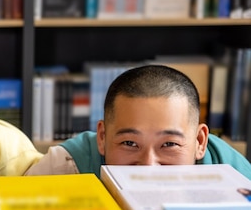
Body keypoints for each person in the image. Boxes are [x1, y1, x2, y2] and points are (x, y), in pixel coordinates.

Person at [26, 65, 251, 179]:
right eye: (130, 143)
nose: (149, 166)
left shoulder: (234, 174)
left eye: (169, 144)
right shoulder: (68, 165)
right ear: (102, 138)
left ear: (200, 142)